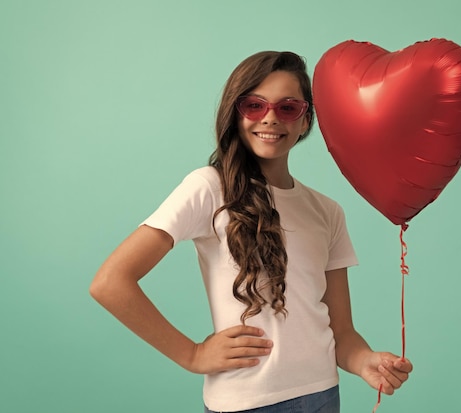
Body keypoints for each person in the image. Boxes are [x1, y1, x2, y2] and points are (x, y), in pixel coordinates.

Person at [90, 51, 412, 412]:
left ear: (306, 121)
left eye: (288, 108)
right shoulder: (210, 188)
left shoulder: (327, 211)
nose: (271, 118)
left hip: (323, 395)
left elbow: (342, 334)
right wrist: (192, 355)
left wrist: (365, 360)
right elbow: (110, 282)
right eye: (254, 106)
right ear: (235, 112)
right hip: (247, 403)